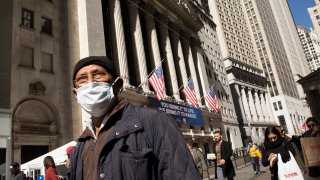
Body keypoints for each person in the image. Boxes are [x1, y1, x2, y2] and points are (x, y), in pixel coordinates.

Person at [69, 56, 200, 180]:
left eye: (98, 75)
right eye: (82, 79)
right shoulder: (80, 146)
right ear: (75, 93)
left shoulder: (155, 121)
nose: (90, 82)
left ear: (117, 85)